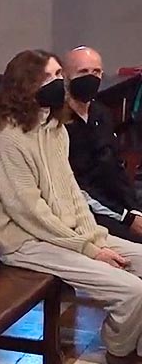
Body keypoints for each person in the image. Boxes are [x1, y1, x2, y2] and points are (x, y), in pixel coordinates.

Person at [0, 49, 142, 364]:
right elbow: (30, 214)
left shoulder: (55, 129)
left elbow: (71, 194)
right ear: (26, 86)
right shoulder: (7, 139)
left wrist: (95, 236)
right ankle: (120, 351)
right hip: (24, 241)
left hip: (62, 233)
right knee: (132, 291)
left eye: (58, 77)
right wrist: (91, 250)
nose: (58, 84)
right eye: (50, 78)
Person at [63, 46, 142, 242]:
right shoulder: (59, 124)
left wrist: (134, 211)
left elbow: (116, 168)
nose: (91, 77)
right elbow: (76, 187)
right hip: (85, 213)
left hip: (119, 206)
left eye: (96, 71)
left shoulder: (101, 113)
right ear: (65, 76)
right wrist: (126, 217)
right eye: (83, 72)